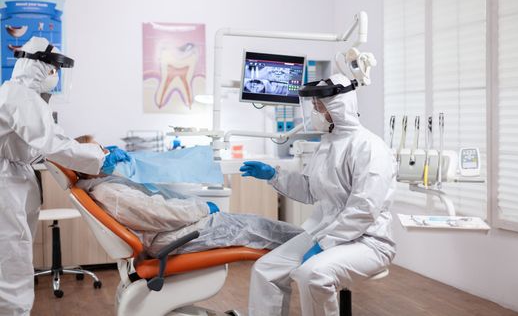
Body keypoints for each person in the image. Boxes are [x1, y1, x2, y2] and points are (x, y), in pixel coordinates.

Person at [240, 74, 397, 316]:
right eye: (313, 106)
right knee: (265, 269)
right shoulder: (327, 143)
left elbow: (363, 210)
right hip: (326, 232)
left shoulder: (370, 147)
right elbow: (310, 189)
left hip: (368, 241)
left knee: (312, 274)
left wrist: (325, 244)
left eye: (319, 106)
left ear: (338, 106)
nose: (314, 111)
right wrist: (273, 175)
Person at [0, 37, 130, 315]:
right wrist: (100, 156)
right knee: (11, 265)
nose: (56, 77)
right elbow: (54, 144)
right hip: (5, 188)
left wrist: (93, 151)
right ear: (40, 67)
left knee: (13, 259)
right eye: (54, 70)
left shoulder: (22, 96)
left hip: (11, 180)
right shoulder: (20, 95)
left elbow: (32, 148)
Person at [75, 135, 303, 257]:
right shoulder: (110, 192)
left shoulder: (104, 184)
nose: (106, 152)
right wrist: (202, 208)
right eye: (100, 151)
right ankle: (311, 245)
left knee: (255, 225)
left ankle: (310, 243)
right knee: (256, 228)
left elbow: (154, 206)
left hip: (171, 232)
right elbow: (160, 213)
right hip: (172, 237)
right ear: (88, 162)